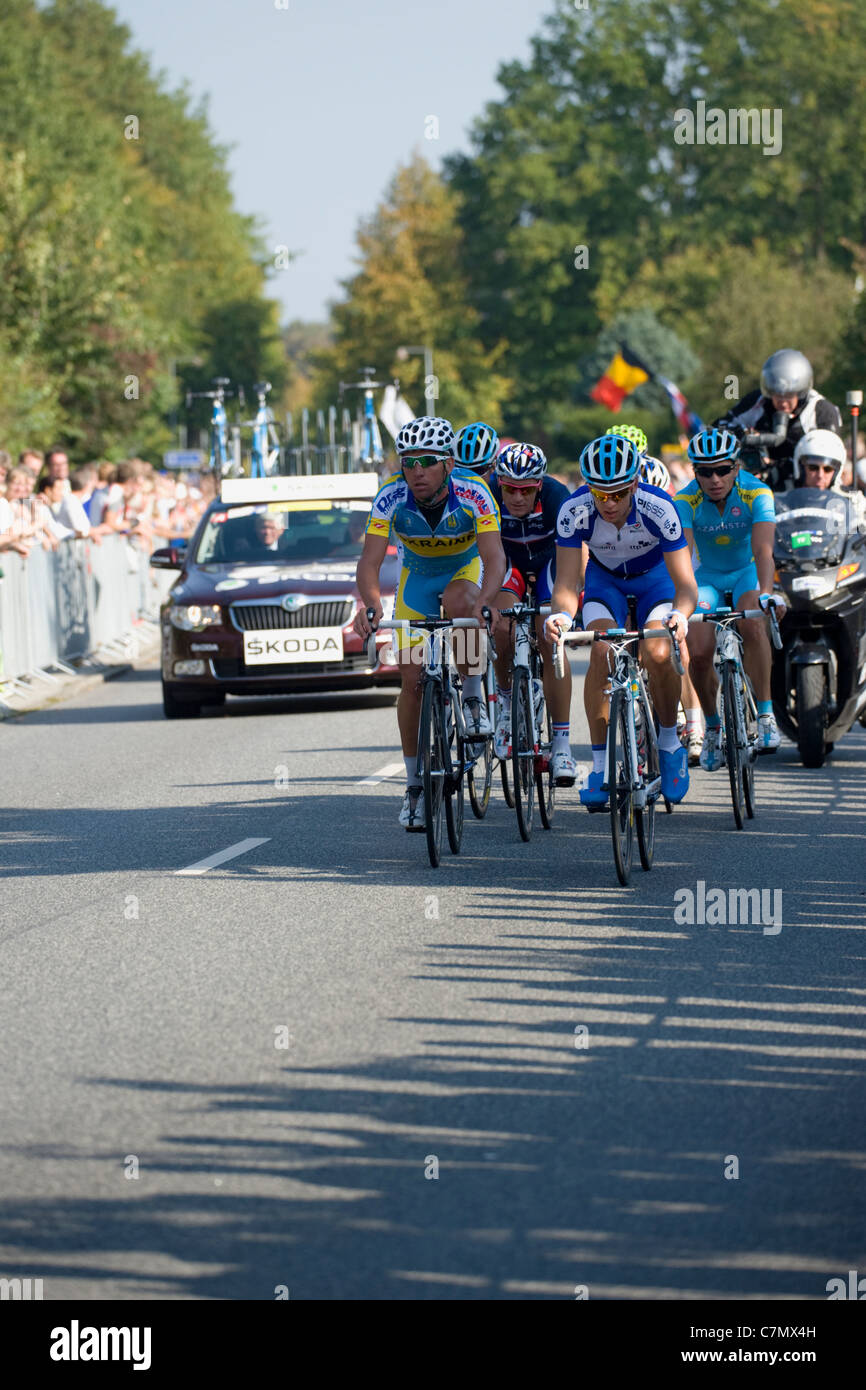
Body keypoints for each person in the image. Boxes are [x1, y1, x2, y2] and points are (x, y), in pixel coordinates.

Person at [353, 414, 506, 830]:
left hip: (465, 571)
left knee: (463, 603)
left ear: (449, 464)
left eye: (426, 461)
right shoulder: (390, 497)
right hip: (416, 581)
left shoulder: (474, 494)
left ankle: (473, 697)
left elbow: (494, 558)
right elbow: (369, 563)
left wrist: (487, 602)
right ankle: (415, 786)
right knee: (412, 679)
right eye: (408, 462)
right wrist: (370, 605)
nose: (416, 471)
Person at [545, 434, 697, 806]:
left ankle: (668, 742)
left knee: (660, 651)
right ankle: (599, 767)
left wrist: (681, 615)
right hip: (606, 582)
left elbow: (686, 585)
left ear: (634, 483)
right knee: (602, 652)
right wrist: (561, 616)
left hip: (656, 582)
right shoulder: (574, 509)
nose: (608, 503)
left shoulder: (660, 507)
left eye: (617, 494)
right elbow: (566, 582)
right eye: (600, 494)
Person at [675, 427, 784, 765]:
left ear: (737, 467)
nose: (715, 479)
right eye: (705, 472)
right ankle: (710, 726)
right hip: (706, 577)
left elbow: (764, 552)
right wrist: (681, 603)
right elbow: (684, 555)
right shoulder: (685, 500)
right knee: (701, 649)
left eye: (723, 469)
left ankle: (765, 714)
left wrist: (766, 594)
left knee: (752, 624)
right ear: (695, 472)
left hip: (746, 573)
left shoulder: (758, 492)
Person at [487, 442, 576, 784]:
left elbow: (573, 554)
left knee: (550, 638)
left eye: (526, 490)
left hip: (550, 564)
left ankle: (563, 744)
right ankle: (507, 703)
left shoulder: (557, 496)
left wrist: (570, 605)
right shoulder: (490, 494)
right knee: (499, 625)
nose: (517, 497)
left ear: (539, 485)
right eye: (510, 488)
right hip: (510, 565)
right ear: (500, 483)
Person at [715, 349, 842, 491]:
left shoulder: (822, 411)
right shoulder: (759, 401)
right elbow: (719, 426)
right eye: (777, 395)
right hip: (763, 484)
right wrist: (742, 434)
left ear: (800, 392)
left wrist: (779, 466)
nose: (783, 402)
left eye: (788, 395)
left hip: (808, 487)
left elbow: (830, 460)